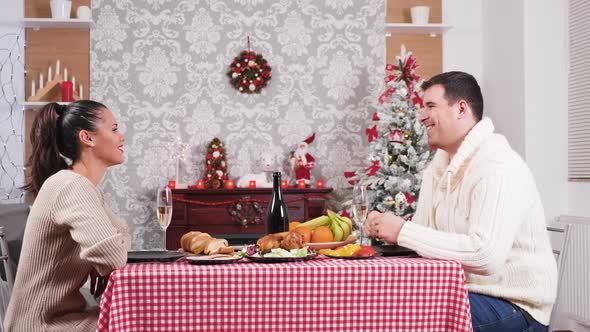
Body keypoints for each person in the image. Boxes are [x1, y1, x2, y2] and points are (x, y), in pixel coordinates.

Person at [365, 71, 557, 332]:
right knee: (382, 305)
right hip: (465, 292)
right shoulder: (438, 166)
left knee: (406, 320)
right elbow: (422, 235)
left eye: (431, 106)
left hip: (515, 304)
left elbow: (485, 255)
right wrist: (391, 233)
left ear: (461, 109)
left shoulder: (497, 164)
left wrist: (402, 231)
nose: (421, 115)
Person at [4, 101, 130, 332]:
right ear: (87, 138)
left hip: (60, 319)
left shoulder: (83, 187)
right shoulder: (71, 187)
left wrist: (106, 256)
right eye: (113, 129)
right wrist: (103, 258)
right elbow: (113, 256)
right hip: (41, 326)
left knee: (139, 319)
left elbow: (119, 237)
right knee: (142, 322)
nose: (121, 137)